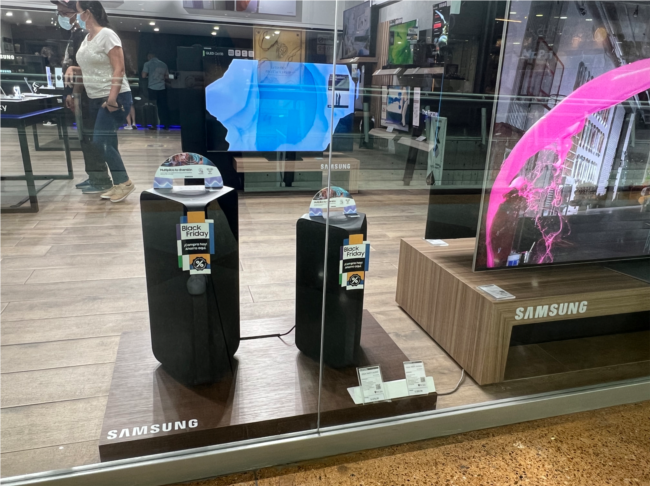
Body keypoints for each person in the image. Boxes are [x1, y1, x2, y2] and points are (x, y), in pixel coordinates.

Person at [67, 0, 135, 202]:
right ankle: (118, 184)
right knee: (108, 141)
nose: (75, 16)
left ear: (87, 13)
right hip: (96, 98)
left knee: (100, 141)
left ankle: (124, 183)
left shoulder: (107, 34)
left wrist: (112, 99)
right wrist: (74, 69)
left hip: (113, 97)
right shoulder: (87, 38)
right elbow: (92, 67)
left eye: (77, 12)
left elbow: (119, 68)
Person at [54, 0, 113, 194]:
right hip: (83, 93)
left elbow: (87, 68)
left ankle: (101, 178)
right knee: (86, 137)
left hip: (89, 95)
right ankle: (95, 175)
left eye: (64, 12)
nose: (61, 16)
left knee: (89, 137)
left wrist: (74, 94)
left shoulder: (88, 35)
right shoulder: (77, 35)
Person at [141, 52, 170, 130]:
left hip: (152, 88)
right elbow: (167, 77)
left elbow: (143, 76)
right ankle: (165, 124)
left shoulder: (147, 64)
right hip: (162, 88)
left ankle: (153, 125)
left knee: (152, 107)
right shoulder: (164, 64)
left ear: (149, 56)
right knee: (163, 107)